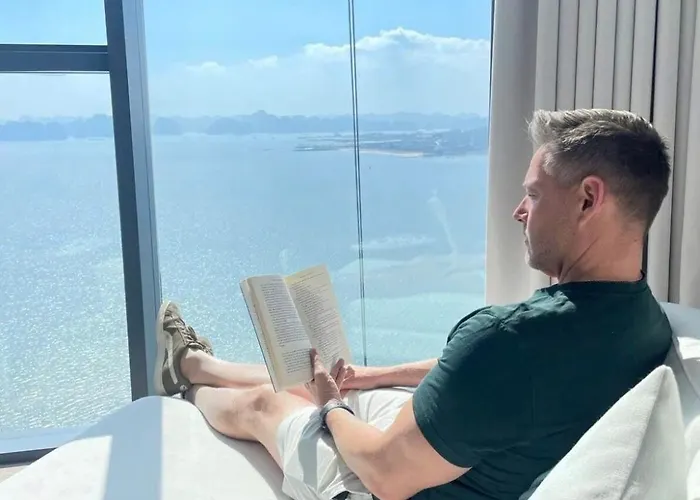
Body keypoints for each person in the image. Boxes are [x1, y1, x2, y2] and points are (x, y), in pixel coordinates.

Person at [153, 108, 673, 500]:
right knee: (316, 378)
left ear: (587, 199)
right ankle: (201, 363)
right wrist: (374, 376)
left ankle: (188, 386)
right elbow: (502, 374)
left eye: (534, 195)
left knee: (268, 405)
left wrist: (330, 407)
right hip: (463, 450)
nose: (519, 211)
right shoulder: (648, 321)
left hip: (392, 481)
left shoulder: (507, 338)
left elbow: (384, 475)